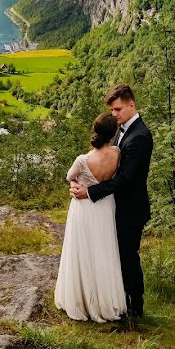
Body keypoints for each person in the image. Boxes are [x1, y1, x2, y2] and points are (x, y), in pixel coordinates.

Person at [71, 84, 153, 318]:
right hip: (113, 207)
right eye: (112, 111)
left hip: (131, 208)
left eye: (117, 110)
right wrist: (77, 182)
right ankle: (116, 300)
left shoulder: (140, 137)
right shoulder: (120, 130)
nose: (114, 115)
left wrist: (90, 192)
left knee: (128, 256)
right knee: (112, 255)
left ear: (131, 104)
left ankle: (136, 307)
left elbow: (126, 178)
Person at [54, 112, 126, 322]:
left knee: (82, 252)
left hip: (84, 207)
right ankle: (105, 301)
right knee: (104, 251)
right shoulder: (117, 153)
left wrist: (75, 185)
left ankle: (81, 301)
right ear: (113, 134)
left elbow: (69, 177)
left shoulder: (83, 159)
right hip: (105, 206)